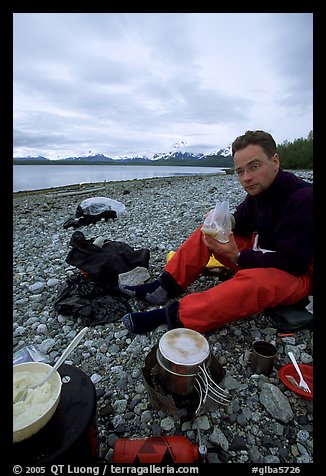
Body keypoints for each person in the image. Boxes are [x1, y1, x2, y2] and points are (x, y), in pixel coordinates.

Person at [120, 130, 313, 334]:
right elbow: (243, 219)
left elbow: (293, 264)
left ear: (275, 162)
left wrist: (238, 256)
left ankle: (172, 316)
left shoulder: (303, 199)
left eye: (254, 167)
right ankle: (164, 286)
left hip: (299, 275)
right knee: (210, 233)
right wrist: (223, 220)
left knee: (256, 284)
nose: (246, 178)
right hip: (266, 253)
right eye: (240, 171)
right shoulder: (260, 190)